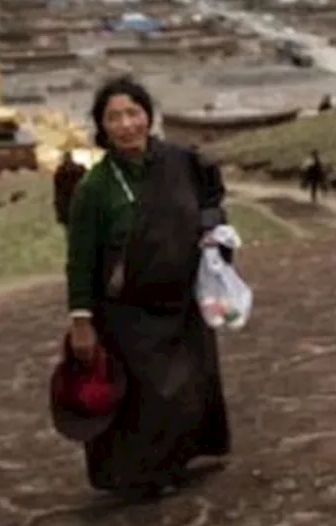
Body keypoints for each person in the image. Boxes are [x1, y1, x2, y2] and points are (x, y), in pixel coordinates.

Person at [65, 77, 232, 499]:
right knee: (147, 397)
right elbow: (80, 259)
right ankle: (144, 475)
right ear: (102, 128)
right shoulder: (96, 188)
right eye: (114, 118)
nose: (126, 125)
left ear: (147, 115)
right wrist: (81, 321)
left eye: (132, 113)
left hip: (183, 298)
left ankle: (181, 459)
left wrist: (215, 230)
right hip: (128, 312)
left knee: (191, 384)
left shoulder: (179, 161)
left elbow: (212, 196)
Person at [53, 150, 86, 228]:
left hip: (74, 203)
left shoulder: (78, 170)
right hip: (70, 204)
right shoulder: (61, 172)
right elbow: (58, 192)